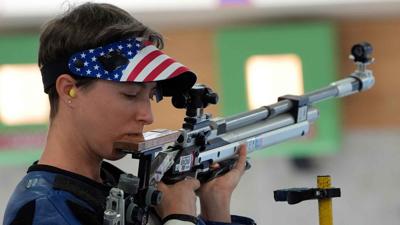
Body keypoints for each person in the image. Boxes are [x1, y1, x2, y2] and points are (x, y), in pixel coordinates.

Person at [3, 2, 256, 225]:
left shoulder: (115, 185)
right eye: (130, 95)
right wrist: (179, 218)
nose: (148, 116)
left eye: (151, 95)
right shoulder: (42, 209)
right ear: (69, 90)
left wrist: (215, 203)